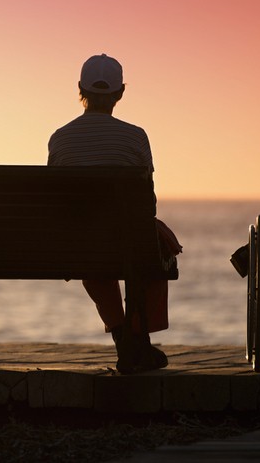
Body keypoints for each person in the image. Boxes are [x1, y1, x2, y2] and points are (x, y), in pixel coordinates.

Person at [48, 54, 179, 374]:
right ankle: (138, 337)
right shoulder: (136, 136)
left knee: (93, 253)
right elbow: (148, 200)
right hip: (130, 239)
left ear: (80, 89)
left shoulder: (60, 138)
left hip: (82, 244)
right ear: (121, 93)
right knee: (152, 246)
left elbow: (55, 199)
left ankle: (122, 334)